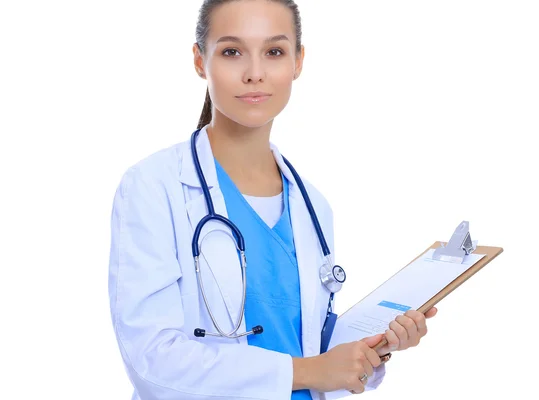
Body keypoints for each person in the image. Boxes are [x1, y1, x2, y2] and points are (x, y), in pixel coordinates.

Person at [108, 1, 437, 399]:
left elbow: (314, 353)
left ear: (298, 62)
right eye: (232, 52)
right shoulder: (152, 186)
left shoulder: (312, 205)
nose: (255, 73)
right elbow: (152, 362)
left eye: (275, 52)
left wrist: (374, 347)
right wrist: (308, 370)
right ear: (200, 61)